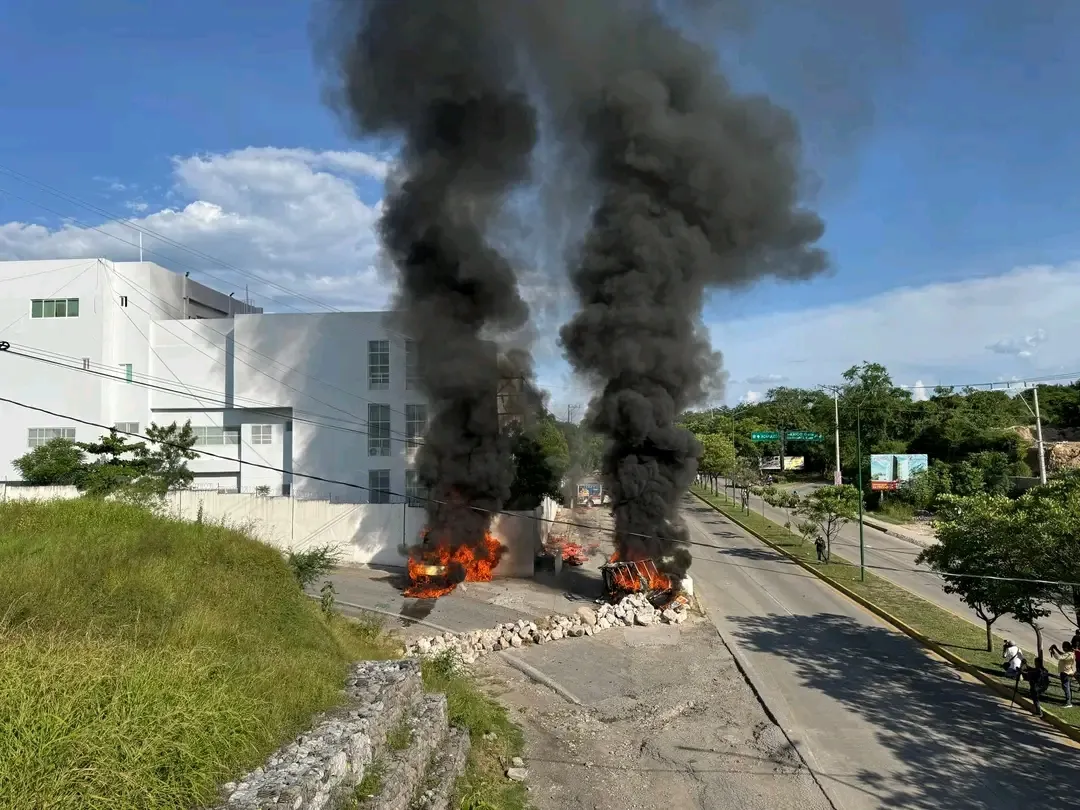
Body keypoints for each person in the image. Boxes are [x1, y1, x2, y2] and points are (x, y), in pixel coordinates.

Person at [1049, 641, 1076, 708]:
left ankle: (1068, 703)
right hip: (1067, 672)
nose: (1063, 649)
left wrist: (1053, 651)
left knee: (1066, 687)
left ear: (1066, 648)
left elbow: (1059, 657)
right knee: (1067, 687)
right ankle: (1069, 701)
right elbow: (1062, 654)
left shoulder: (1069, 654)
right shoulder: (1069, 653)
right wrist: (1055, 649)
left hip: (1066, 673)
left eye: (1063, 647)